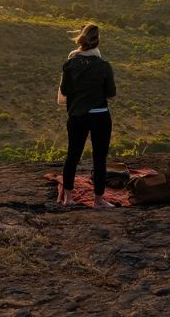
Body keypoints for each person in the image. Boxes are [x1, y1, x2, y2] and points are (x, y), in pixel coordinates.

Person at [56, 23, 116, 209]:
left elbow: (64, 90)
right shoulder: (104, 66)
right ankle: (98, 200)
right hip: (100, 116)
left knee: (72, 155)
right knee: (100, 158)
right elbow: (111, 95)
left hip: (77, 116)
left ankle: (68, 198)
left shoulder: (70, 64)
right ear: (98, 41)